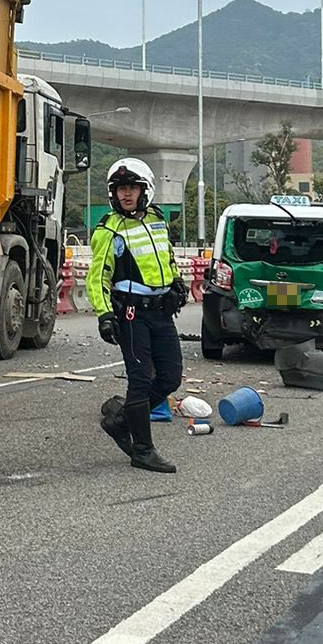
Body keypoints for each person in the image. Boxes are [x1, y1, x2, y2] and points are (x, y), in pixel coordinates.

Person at [86, 157, 187, 473]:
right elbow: (97, 277)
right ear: (112, 194)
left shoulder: (157, 220)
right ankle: (142, 450)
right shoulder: (109, 230)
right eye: (120, 189)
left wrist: (177, 283)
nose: (126, 195)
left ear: (146, 191)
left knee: (170, 377)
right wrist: (105, 315)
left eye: (132, 188)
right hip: (131, 314)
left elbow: (166, 258)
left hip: (161, 314)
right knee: (140, 381)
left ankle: (121, 419)